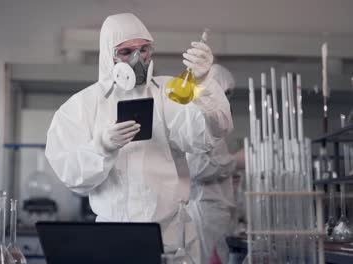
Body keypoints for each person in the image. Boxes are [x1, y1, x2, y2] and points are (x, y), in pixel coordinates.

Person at [45, 13, 232, 261]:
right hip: (113, 240)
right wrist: (101, 148)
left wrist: (203, 83)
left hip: (171, 241)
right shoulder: (82, 106)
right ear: (107, 54)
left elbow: (208, 134)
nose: (137, 59)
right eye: (126, 52)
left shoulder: (168, 94)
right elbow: (70, 174)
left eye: (143, 50)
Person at [187, 65, 237, 264]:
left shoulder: (215, 123)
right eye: (224, 94)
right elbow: (197, 168)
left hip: (216, 209)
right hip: (206, 210)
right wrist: (235, 162)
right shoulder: (198, 118)